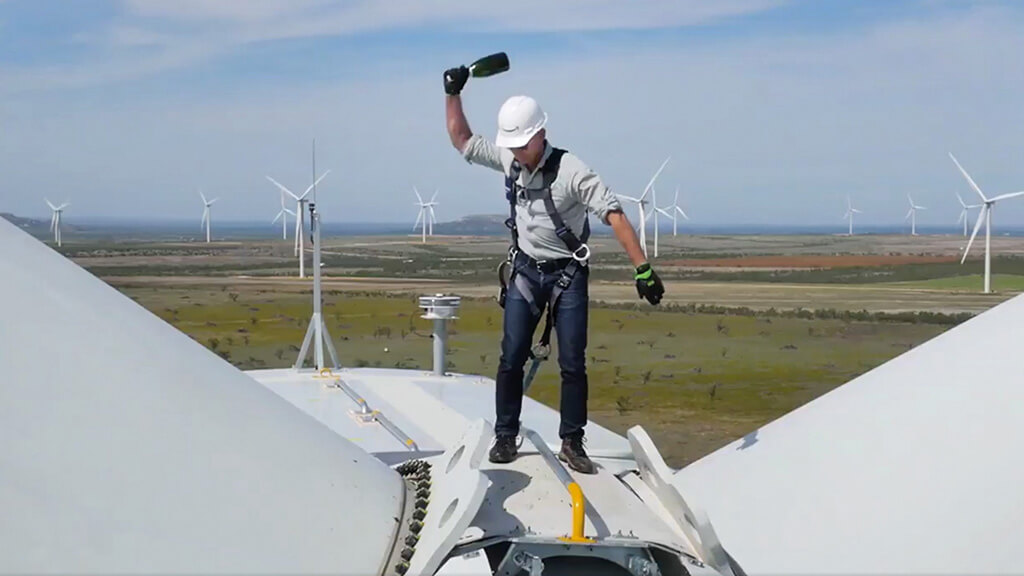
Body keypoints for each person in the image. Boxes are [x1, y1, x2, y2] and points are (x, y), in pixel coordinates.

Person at [443, 65, 665, 474]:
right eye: (511, 146)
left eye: (522, 145)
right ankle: (505, 435)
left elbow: (614, 215)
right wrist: (453, 94)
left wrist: (642, 269)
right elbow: (462, 140)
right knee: (510, 356)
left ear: (541, 134)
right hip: (526, 273)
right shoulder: (510, 162)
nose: (516, 153)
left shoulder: (573, 171)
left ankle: (572, 441)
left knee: (572, 362)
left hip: (568, 276)